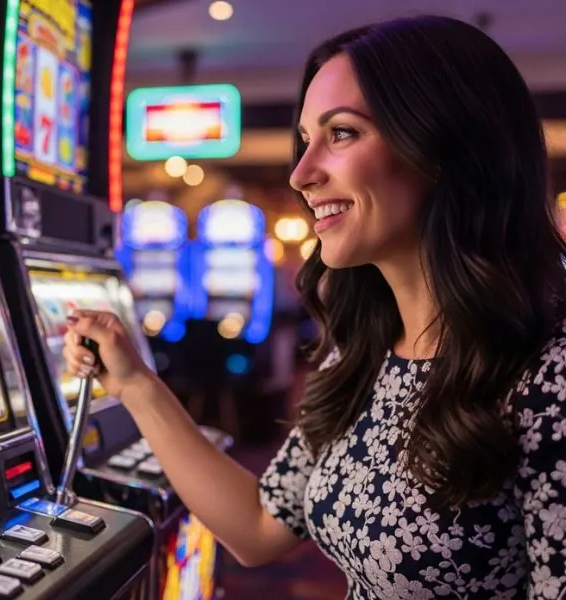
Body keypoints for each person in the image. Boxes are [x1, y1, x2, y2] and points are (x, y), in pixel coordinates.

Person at [63, 15, 566, 599]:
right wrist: (136, 385)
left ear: (446, 149)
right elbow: (257, 529)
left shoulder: (549, 376)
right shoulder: (365, 353)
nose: (301, 175)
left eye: (343, 133)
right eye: (304, 141)